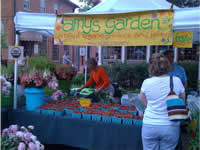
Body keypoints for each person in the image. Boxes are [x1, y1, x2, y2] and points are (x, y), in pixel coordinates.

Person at [140, 53, 185, 150]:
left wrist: (154, 106)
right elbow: (182, 100)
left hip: (150, 124)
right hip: (170, 125)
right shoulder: (176, 81)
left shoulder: (146, 82)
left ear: (152, 67)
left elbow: (143, 102)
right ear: (167, 66)